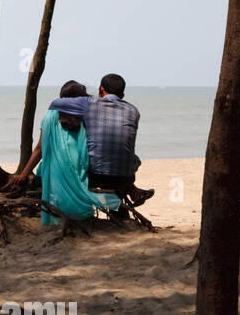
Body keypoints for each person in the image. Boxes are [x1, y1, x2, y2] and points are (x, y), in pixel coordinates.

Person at [8, 80, 121, 225]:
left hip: (55, 166)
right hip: (79, 164)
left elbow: (40, 148)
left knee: (45, 168)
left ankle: (57, 213)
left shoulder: (50, 116)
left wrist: (23, 175)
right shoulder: (87, 116)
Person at [45, 73, 154, 206]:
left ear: (100, 89)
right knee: (132, 158)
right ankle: (134, 192)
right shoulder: (133, 111)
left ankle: (132, 194)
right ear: (123, 94)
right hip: (126, 177)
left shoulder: (88, 104)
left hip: (96, 177)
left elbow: (55, 103)